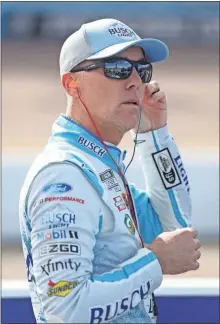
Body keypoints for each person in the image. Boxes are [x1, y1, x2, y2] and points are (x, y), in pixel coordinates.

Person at [19, 18, 201, 324]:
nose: (135, 82)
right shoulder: (63, 175)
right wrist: (155, 262)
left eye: (142, 70)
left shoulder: (100, 167)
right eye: (116, 69)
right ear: (71, 84)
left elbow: (176, 225)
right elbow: (66, 309)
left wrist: (155, 136)